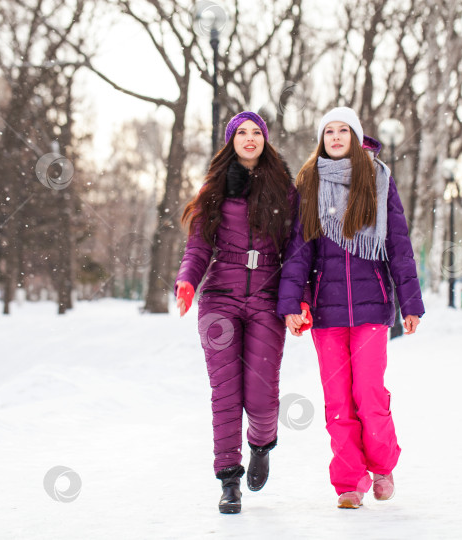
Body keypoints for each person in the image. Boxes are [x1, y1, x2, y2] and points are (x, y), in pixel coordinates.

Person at [277, 107, 425, 509]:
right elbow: (298, 247)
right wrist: (292, 301)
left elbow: (398, 243)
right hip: (326, 311)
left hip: (372, 308)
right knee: (338, 400)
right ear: (322, 139)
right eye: (330, 131)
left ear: (356, 137)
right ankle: (348, 481)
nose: (337, 137)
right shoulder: (308, 183)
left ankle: (381, 466)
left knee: (369, 393)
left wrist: (410, 301)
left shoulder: (377, 179)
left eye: (344, 130)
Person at [175, 111, 296, 514]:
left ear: (264, 140)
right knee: (226, 395)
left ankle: (261, 444)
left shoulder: (284, 188)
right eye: (241, 133)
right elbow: (198, 246)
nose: (248, 138)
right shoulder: (214, 188)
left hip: (267, 296)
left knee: (261, 398)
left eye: (255, 132)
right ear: (231, 141)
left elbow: (297, 251)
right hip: (220, 298)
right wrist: (187, 281)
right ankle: (229, 480)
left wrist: (300, 298)